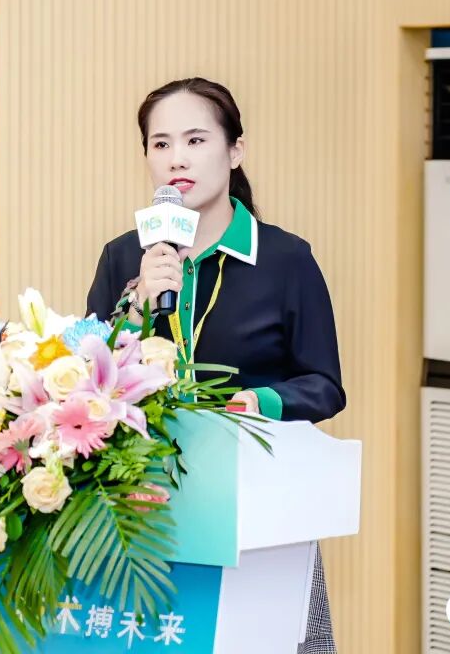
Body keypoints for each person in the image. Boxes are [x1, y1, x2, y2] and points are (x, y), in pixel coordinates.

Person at [85, 77, 347, 653]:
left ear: (235, 151)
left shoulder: (285, 259)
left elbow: (325, 386)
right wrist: (135, 305)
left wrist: (260, 402)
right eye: (160, 144)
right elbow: (89, 385)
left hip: (259, 511)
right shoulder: (124, 256)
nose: (176, 158)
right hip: (144, 518)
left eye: (196, 140)